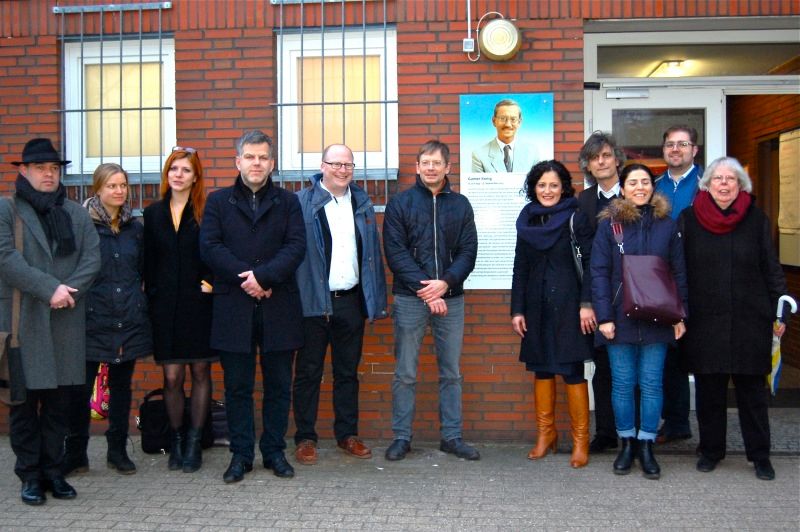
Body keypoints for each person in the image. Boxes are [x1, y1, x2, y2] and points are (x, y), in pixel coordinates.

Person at [199, 130, 305, 483]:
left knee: (278, 386)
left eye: (263, 157)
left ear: (272, 163)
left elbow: (295, 247)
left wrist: (265, 278)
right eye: (250, 156)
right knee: (238, 388)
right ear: (238, 161)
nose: (256, 163)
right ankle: (241, 455)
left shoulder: (288, 203)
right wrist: (248, 280)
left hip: (279, 306)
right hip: (234, 307)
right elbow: (211, 247)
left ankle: (274, 451)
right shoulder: (218, 202)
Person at [0, 138, 101, 505]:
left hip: (65, 321)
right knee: (23, 407)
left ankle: (54, 472)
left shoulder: (74, 213)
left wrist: (68, 291)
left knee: (60, 406)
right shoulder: (7, 210)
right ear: (24, 171)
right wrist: (50, 289)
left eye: (54, 169)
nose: (48, 174)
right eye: (41, 168)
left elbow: (92, 258)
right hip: (23, 322)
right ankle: (29, 475)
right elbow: (6, 259)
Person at [679, 157, 787, 481]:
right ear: (707, 184)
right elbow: (679, 270)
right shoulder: (689, 219)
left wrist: (780, 309)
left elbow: (771, 266)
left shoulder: (756, 219)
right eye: (718, 179)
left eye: (730, 179)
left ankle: (760, 456)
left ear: (740, 185)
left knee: (752, 393)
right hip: (705, 320)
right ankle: (711, 451)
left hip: (749, 319)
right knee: (710, 392)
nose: (724, 184)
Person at [383, 140, 479, 461]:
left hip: (451, 299)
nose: (431, 168)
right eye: (425, 162)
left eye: (437, 163)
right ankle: (401, 437)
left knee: (451, 372)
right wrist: (427, 289)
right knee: (405, 372)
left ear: (448, 168)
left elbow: (468, 252)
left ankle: (451, 437)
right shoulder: (400, 204)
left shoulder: (461, 205)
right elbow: (395, 252)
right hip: (410, 299)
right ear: (417, 166)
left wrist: (445, 284)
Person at [590, 163, 688, 480]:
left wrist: (680, 314)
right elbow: (599, 274)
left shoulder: (667, 224)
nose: (640, 187)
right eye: (633, 182)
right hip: (619, 319)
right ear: (623, 188)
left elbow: (679, 273)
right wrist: (604, 316)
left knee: (650, 384)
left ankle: (646, 445)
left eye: (645, 181)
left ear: (652, 186)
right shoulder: (609, 225)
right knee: (622, 385)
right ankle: (626, 444)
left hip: (659, 319)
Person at [292, 144, 388, 465]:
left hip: (349, 301)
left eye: (348, 165)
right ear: (322, 166)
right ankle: (305, 437)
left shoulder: (361, 203)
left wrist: (373, 299)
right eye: (336, 164)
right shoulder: (302, 203)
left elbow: (371, 254)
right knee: (308, 372)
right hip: (313, 303)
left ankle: (347, 434)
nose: (343, 170)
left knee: (347, 373)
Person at [63, 163, 152, 477]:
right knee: (80, 388)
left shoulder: (135, 228)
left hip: (127, 316)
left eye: (123, 185)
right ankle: (75, 454)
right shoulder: (81, 224)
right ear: (97, 189)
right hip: (91, 317)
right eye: (112, 185)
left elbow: (142, 270)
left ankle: (117, 451)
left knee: (122, 387)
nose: (119, 191)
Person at [510, 160, 595, 468]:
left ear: (564, 188)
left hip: (571, 308)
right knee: (542, 370)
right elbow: (520, 267)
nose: (547, 191)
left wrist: (588, 304)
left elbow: (592, 265)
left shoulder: (576, 218)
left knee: (572, 371)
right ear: (534, 187)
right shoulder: (527, 220)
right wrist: (517, 309)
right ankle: (546, 435)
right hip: (536, 308)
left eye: (554, 185)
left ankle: (580, 440)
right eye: (542, 185)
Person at [143, 147, 215, 473]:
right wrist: (151, 294)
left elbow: (218, 251)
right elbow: (148, 261)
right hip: (165, 307)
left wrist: (212, 282)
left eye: (185, 170)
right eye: (174, 169)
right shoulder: (153, 213)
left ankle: (194, 442)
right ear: (167, 174)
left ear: (195, 176)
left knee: (200, 372)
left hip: (198, 305)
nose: (179, 175)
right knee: (172, 376)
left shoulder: (206, 210)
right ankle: (175, 439)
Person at [576, 131, 625, 454]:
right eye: (595, 158)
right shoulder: (584, 201)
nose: (601, 162)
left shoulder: (637, 191)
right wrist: (587, 302)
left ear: (617, 159)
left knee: (633, 371)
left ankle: (633, 436)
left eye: (606, 155)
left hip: (635, 296)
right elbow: (584, 254)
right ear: (588, 167)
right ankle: (606, 433)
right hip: (600, 295)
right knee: (604, 370)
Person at [653, 125, 702, 444]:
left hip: (700, 278)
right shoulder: (654, 187)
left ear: (694, 150)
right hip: (661, 282)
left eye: (682, 144)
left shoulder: (709, 184)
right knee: (669, 354)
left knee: (695, 353)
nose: (676, 150)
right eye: (670, 145)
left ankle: (707, 430)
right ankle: (676, 422)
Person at [471, 99, 540, 173]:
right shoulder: (479, 155)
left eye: (513, 119)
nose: (508, 124)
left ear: (519, 122)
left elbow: (536, 183)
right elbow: (478, 185)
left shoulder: (532, 152)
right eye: (503, 119)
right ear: (494, 121)